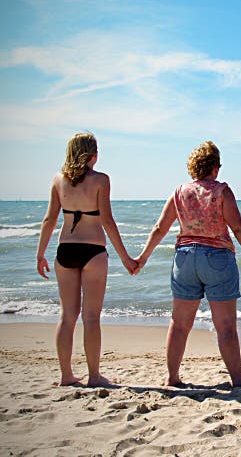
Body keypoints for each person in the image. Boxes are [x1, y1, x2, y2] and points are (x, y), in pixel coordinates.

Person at [135, 141, 241, 388]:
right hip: (217, 256)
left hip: (184, 257)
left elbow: (160, 228)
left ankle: (173, 378)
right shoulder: (222, 191)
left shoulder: (179, 192)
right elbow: (237, 228)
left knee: (179, 324)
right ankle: (237, 380)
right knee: (226, 326)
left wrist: (142, 258)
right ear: (216, 168)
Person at [36, 132, 137, 386]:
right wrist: (125, 258)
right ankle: (93, 376)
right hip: (93, 250)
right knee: (91, 317)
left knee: (67, 315)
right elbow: (107, 221)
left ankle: (66, 376)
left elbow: (49, 220)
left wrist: (40, 254)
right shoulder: (101, 180)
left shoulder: (58, 180)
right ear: (92, 154)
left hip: (65, 251)